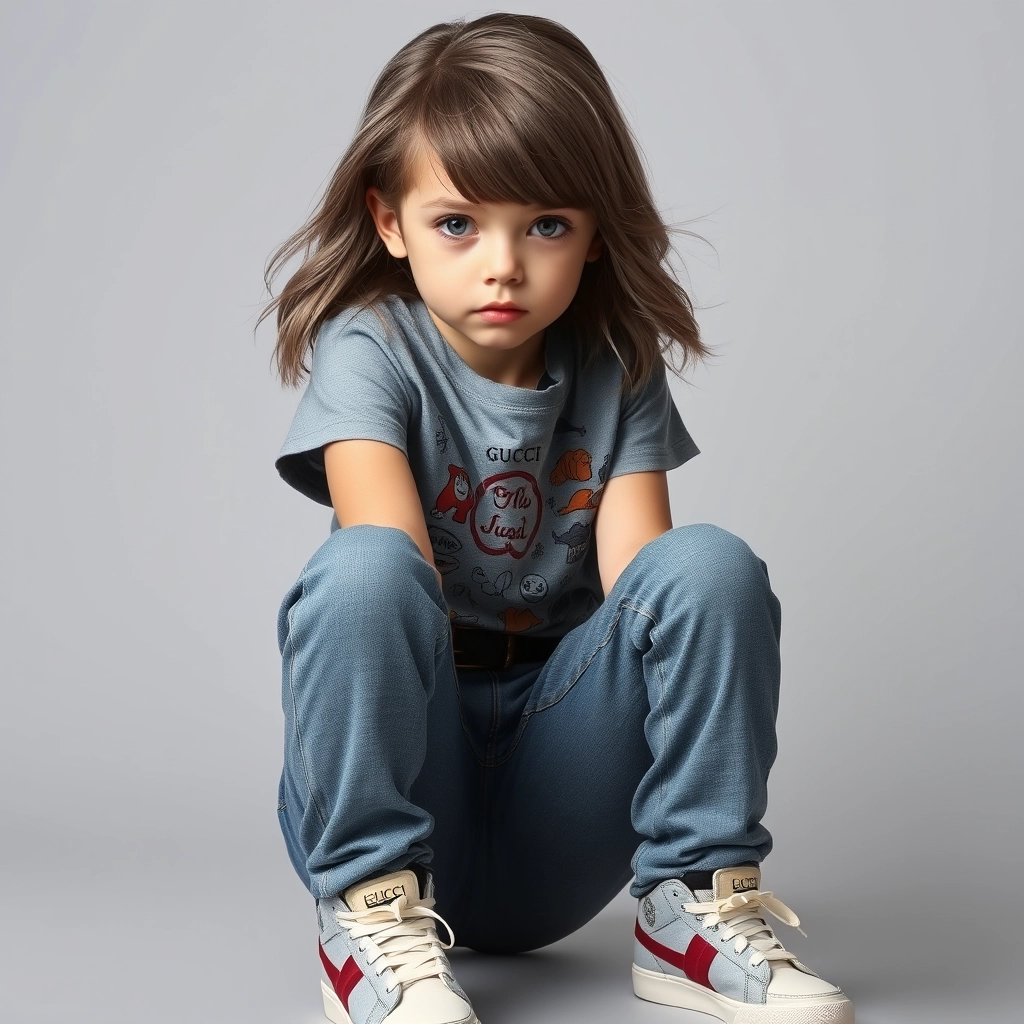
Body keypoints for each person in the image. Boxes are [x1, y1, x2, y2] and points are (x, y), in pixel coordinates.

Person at [260, 12, 853, 1024]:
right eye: (458, 222)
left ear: (592, 230)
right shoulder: (370, 347)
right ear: (389, 221)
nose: (503, 264)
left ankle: (690, 907)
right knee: (363, 570)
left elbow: (649, 598)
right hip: (417, 776)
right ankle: (365, 920)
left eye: (545, 225)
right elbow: (395, 574)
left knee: (707, 565)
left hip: (560, 798)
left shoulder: (612, 358)